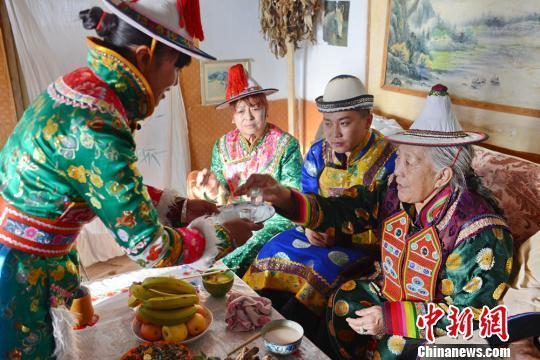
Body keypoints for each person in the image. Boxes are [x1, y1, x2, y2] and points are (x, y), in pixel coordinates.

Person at [0, 1, 260, 358]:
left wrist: (180, 208)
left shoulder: (83, 86)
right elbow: (150, 248)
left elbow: (105, 185)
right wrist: (222, 235)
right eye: (175, 66)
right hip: (22, 273)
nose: (174, 79)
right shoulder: (99, 121)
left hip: (27, 255)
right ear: (144, 56)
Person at [236, 85, 513, 359]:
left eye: (409, 162)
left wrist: (392, 318)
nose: (398, 171)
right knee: (342, 302)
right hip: (388, 289)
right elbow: (345, 208)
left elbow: (472, 316)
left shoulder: (479, 232)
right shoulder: (394, 191)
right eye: (399, 158)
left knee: (396, 347)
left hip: (429, 324)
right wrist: (283, 197)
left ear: (442, 176)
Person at [243, 75, 396, 318]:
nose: (334, 133)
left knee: (320, 273)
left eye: (344, 123)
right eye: (328, 123)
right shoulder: (317, 153)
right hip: (316, 234)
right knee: (270, 251)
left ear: (367, 120)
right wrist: (308, 229)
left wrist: (334, 232)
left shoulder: (391, 159)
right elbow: (309, 196)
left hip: (362, 246)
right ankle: (253, 317)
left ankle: (297, 339)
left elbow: (387, 219)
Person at [189, 64, 302, 276]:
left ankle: (223, 285)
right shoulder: (222, 145)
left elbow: (293, 197)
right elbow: (221, 199)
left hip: (274, 218)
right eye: (240, 110)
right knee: (201, 237)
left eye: (255, 108)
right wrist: (213, 191)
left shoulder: (287, 145)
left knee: (244, 246)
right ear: (232, 116)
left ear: (266, 111)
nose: (248, 117)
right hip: (233, 213)